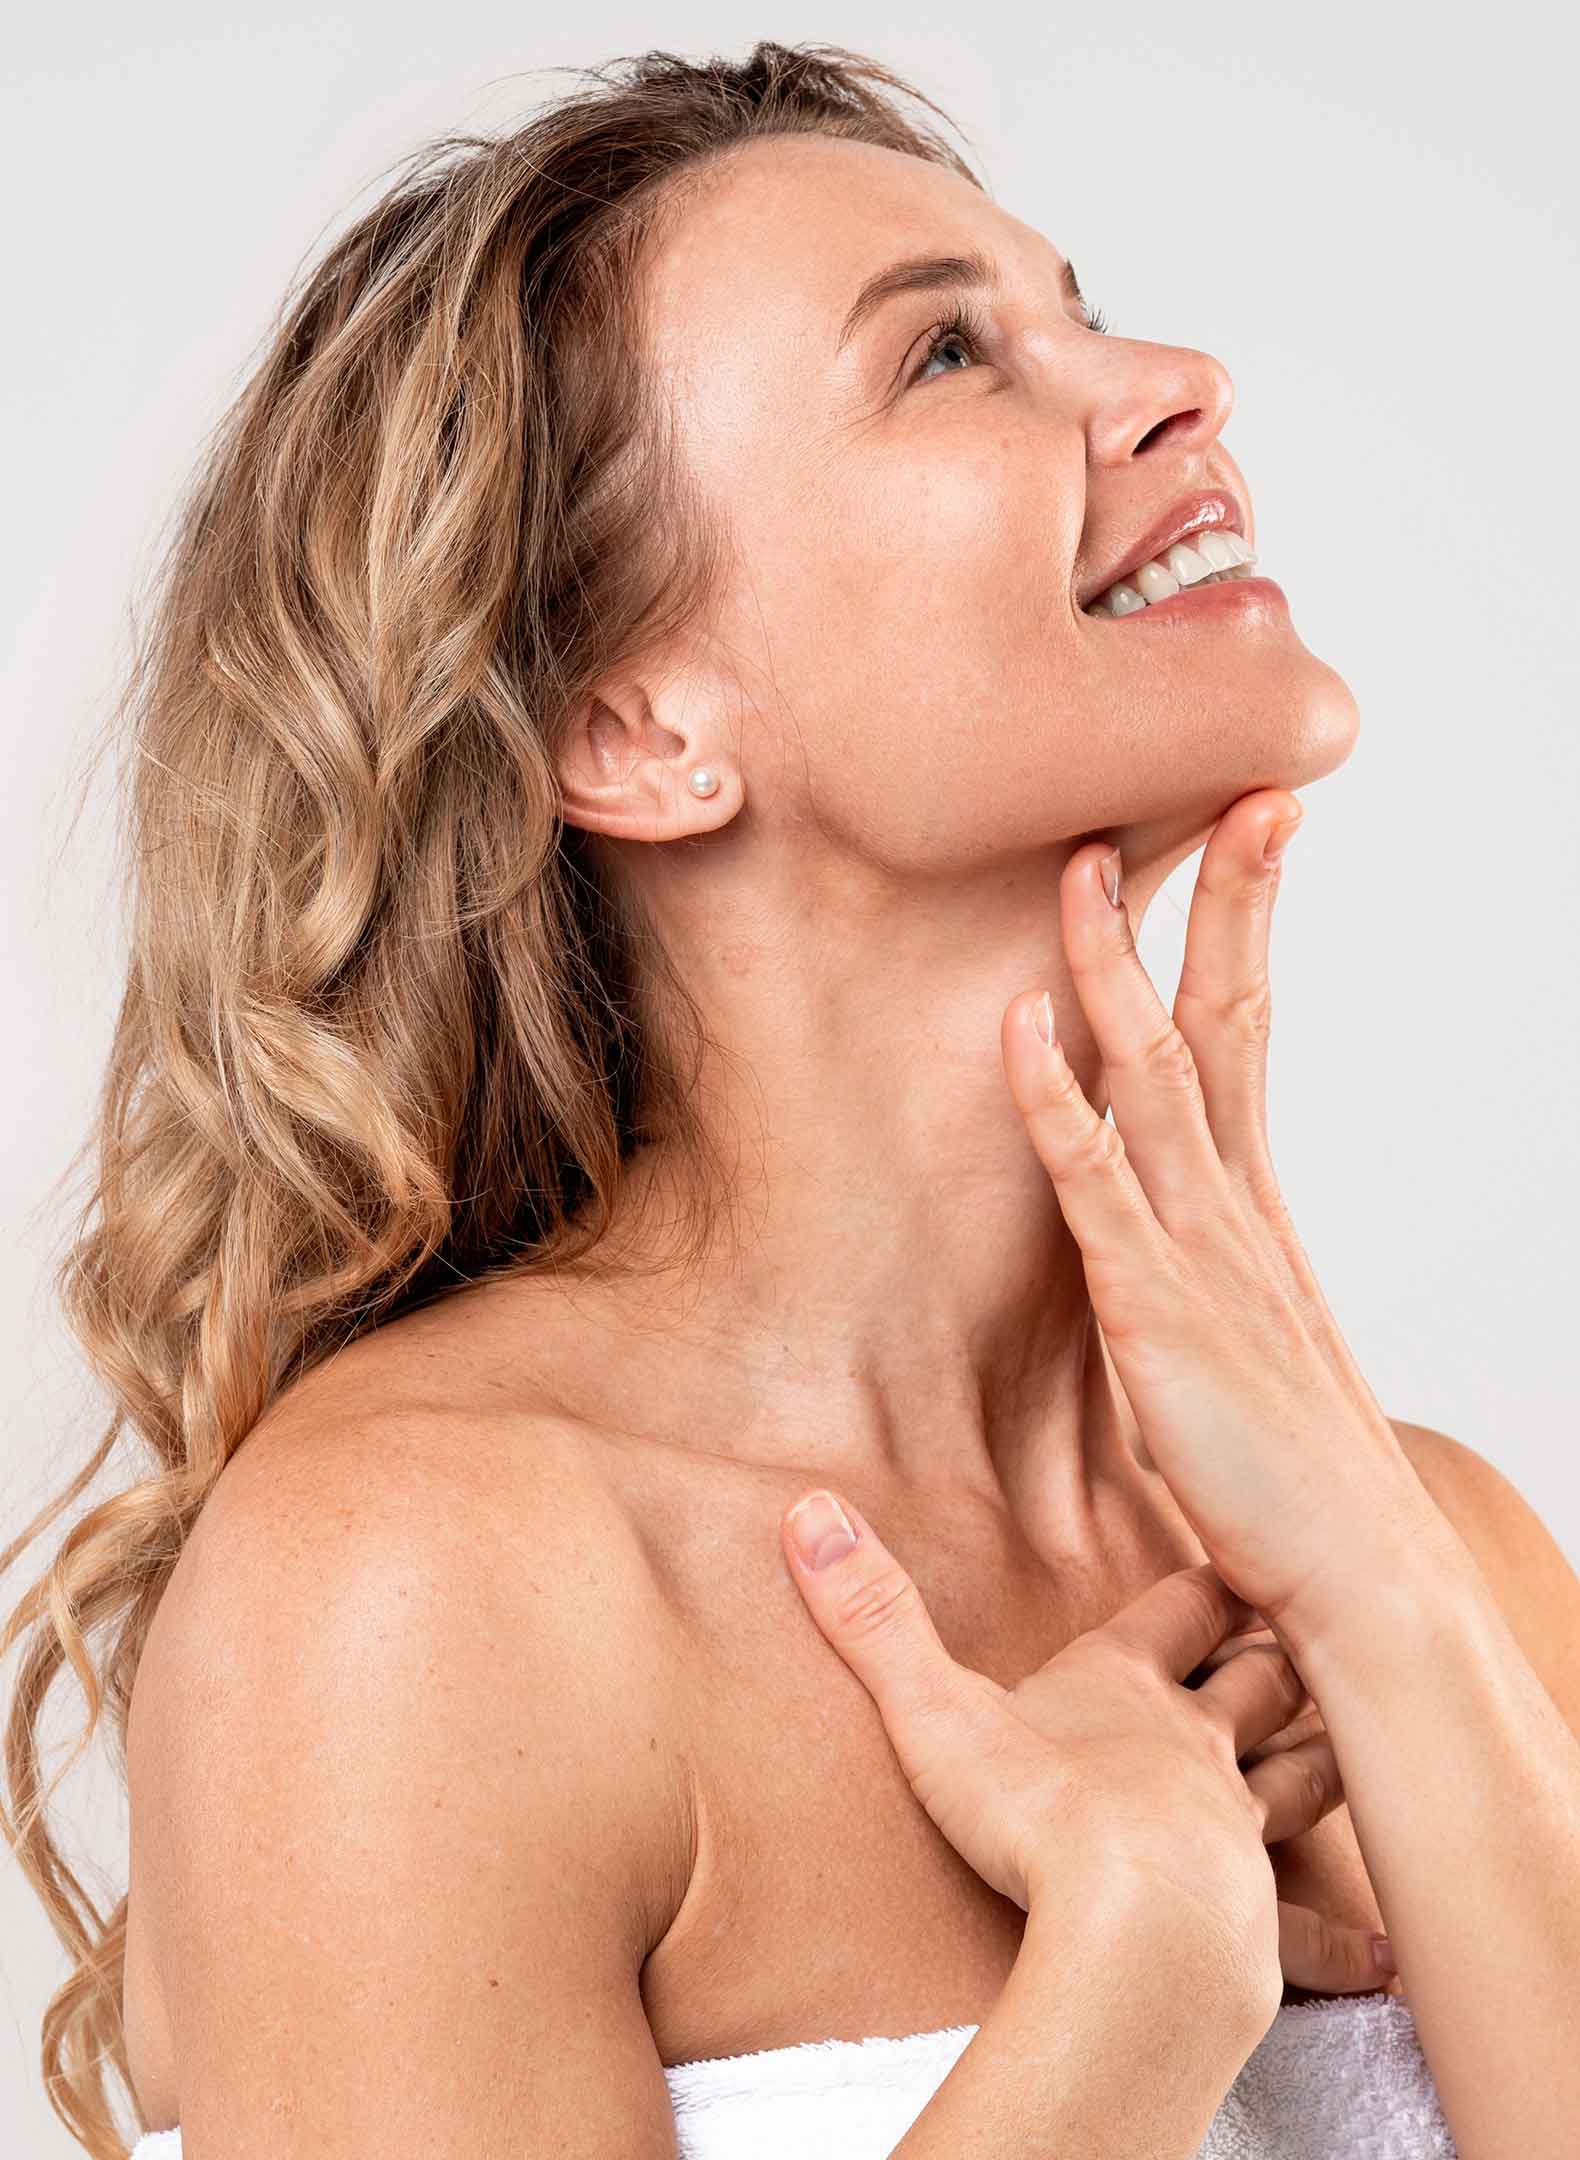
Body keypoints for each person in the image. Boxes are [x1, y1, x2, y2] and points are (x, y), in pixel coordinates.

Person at [6, 38, 1578, 2160]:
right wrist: (1135, 1978)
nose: (1174, 376)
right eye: (948, 355)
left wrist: (1389, 1613)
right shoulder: (420, 1590)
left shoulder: (1433, 1552)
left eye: (1079, 308)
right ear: (637, 728)